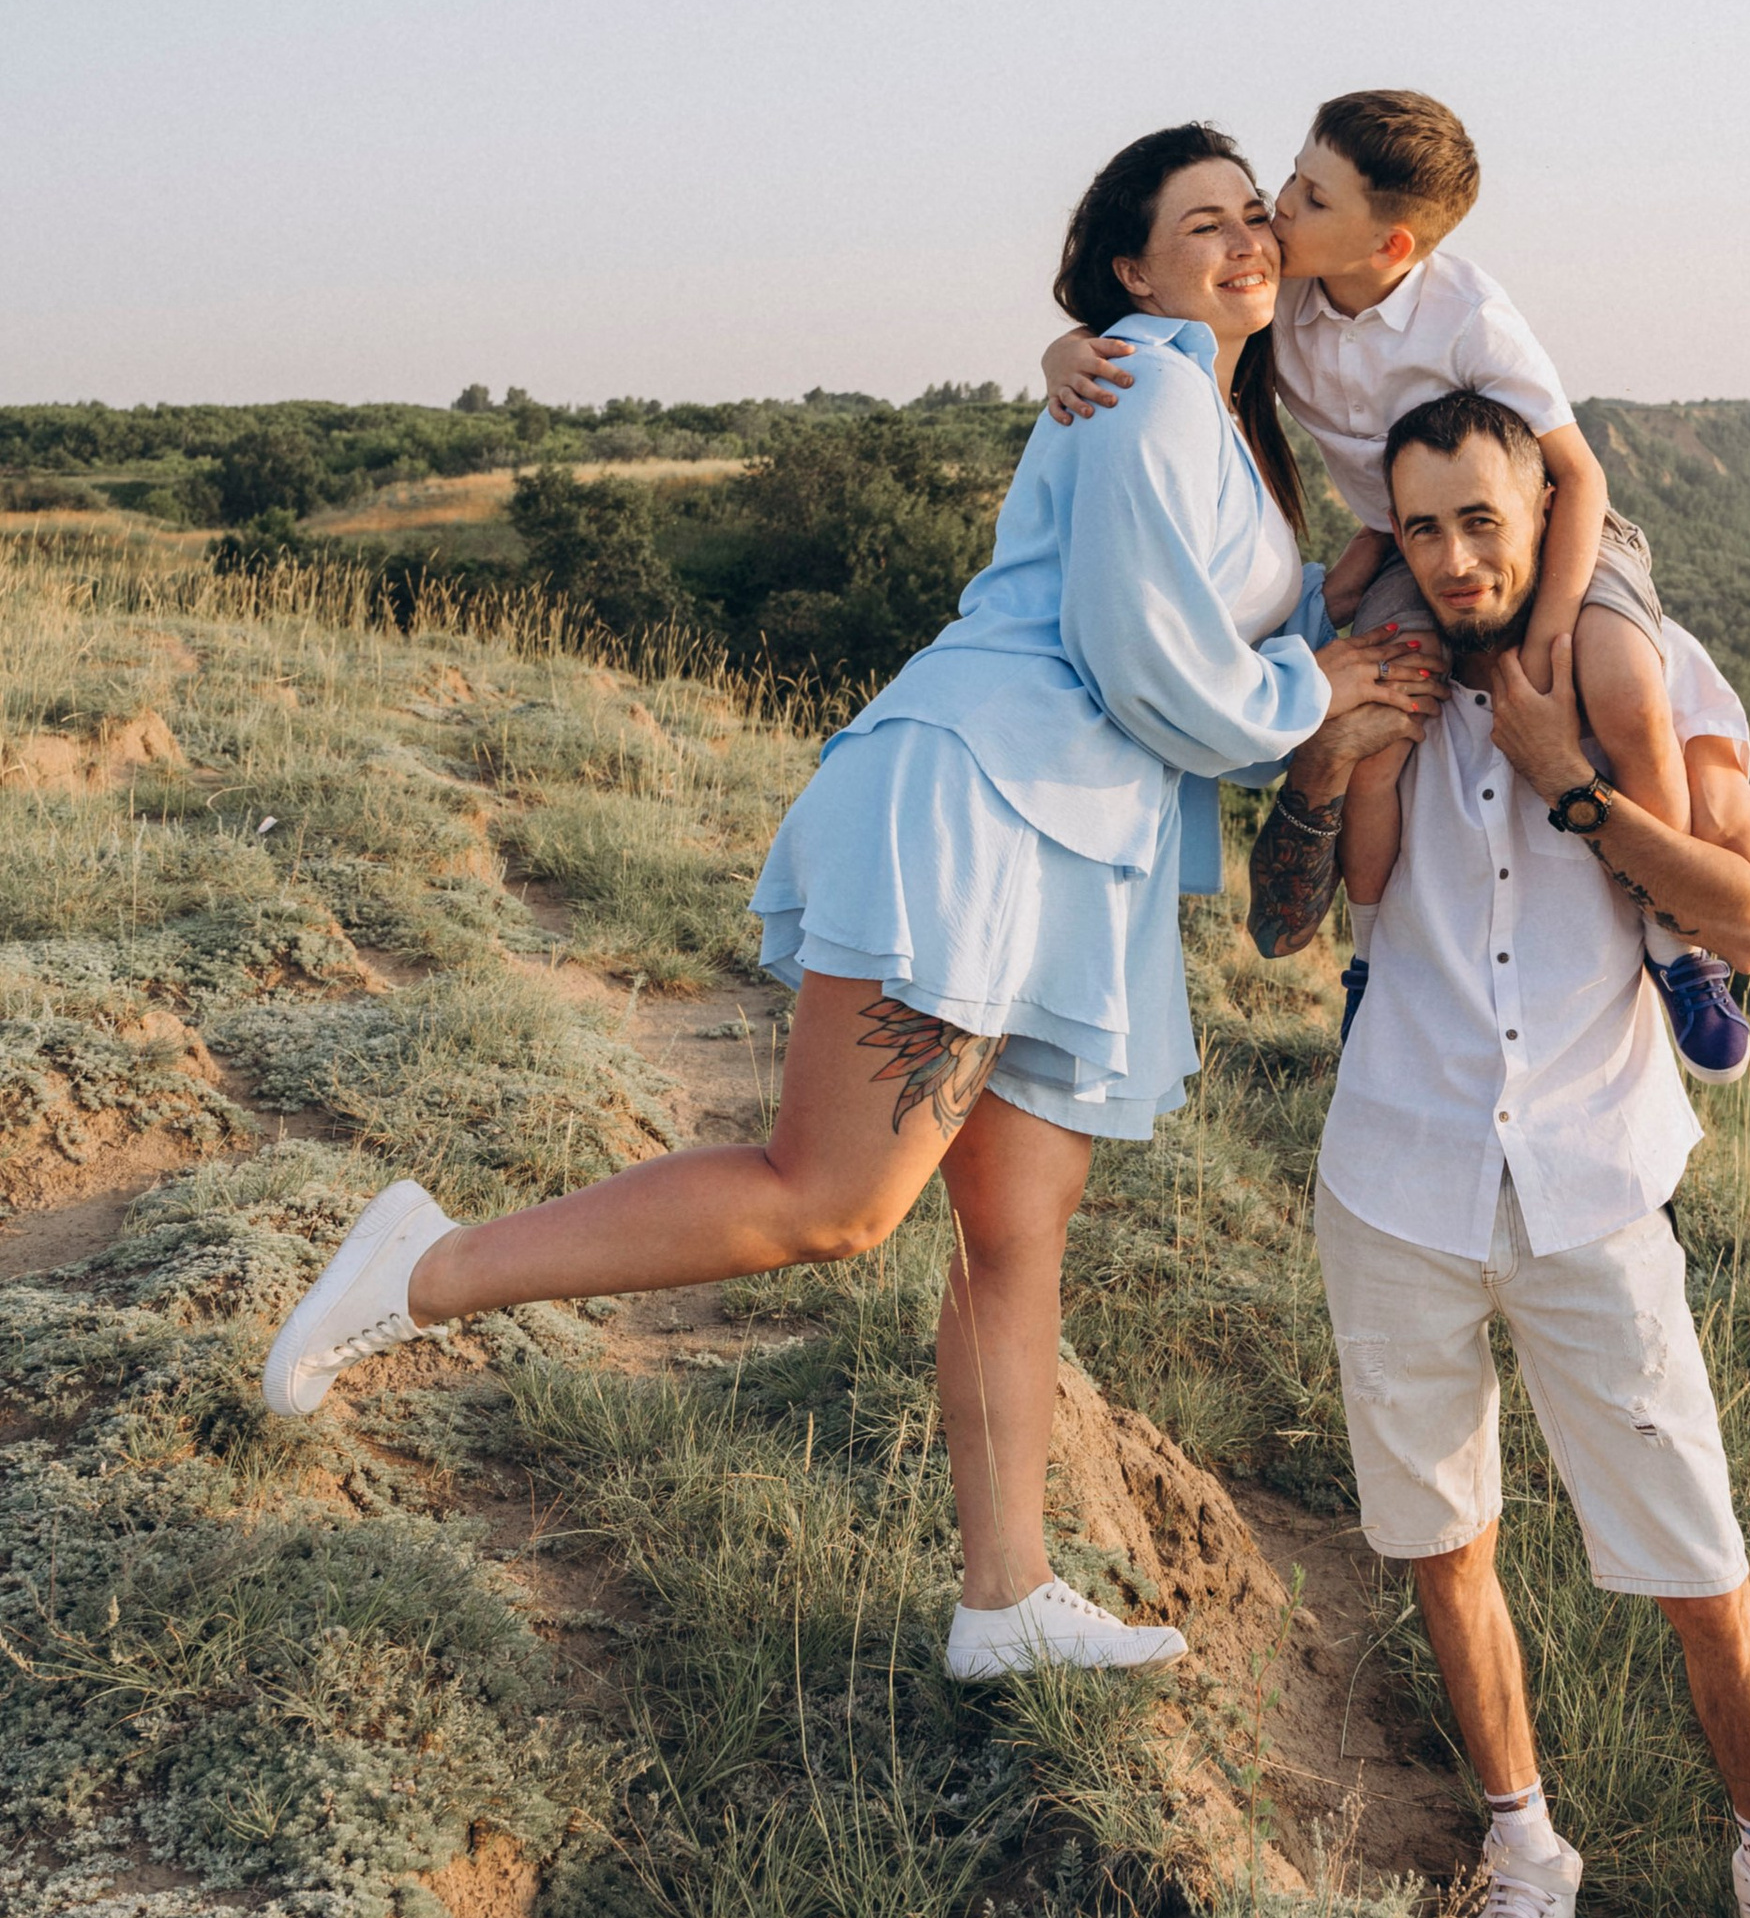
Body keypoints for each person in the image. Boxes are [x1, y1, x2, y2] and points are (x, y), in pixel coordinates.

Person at [259, 126, 1441, 1687]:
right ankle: (417, 1268)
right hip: (981, 806)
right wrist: (1312, 689)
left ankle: (1006, 1596)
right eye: (1201, 224)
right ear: (1130, 273)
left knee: (1016, 1231)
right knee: (836, 1197)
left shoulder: (1205, 413)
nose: (1245, 243)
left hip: (1067, 850)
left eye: (1254, 220)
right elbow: (1140, 653)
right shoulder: (1150, 386)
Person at [1245, 386, 1750, 1918]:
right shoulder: (1377, 666)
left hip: (1594, 1187)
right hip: (1401, 1173)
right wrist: (1328, 747)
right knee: (1446, 1540)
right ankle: (1528, 1863)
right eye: (1421, 524)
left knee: (1700, 1567)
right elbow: (1297, 918)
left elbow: (1747, 917)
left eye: (1481, 521)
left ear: (1544, 510)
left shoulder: (1634, 663)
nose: (1452, 556)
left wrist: (1570, 781)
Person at [1043, 89, 1748, 1084]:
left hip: (1551, 533)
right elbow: (1160, 320)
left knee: (1625, 687)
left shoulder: (1468, 316)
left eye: (1310, 197)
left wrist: (1552, 632)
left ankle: (1680, 947)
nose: (1279, 208)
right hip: (1411, 547)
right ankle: (1370, 955)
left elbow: (1580, 476)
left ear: (1389, 243)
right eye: (1289, 177)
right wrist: (1067, 349)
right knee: (1376, 723)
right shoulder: (1278, 286)